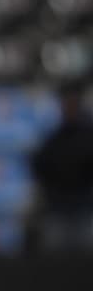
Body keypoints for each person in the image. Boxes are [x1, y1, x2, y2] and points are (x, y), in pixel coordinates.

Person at [29, 81, 93, 252]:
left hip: (85, 208)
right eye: (66, 103)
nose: (69, 107)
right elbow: (39, 167)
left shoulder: (88, 136)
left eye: (73, 103)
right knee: (56, 258)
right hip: (57, 209)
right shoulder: (52, 136)